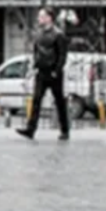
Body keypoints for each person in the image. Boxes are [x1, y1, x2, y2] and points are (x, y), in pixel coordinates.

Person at [18, 7, 70, 141]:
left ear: (49, 18)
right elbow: (36, 52)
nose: (38, 18)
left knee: (59, 101)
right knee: (36, 100)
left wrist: (56, 71)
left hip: (54, 72)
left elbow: (62, 55)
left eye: (41, 16)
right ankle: (30, 129)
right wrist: (34, 66)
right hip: (41, 72)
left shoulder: (58, 35)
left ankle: (65, 130)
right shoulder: (38, 34)